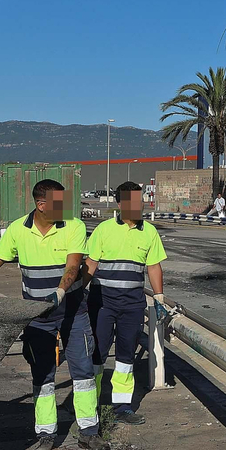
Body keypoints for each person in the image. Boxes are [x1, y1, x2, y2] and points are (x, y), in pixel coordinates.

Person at [0, 179, 108, 450]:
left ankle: (89, 432)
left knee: (83, 372)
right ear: (41, 205)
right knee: (42, 375)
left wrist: (61, 291)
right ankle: (45, 435)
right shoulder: (18, 229)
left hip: (73, 312)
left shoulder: (73, 225)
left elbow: (74, 265)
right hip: (37, 317)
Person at [85, 181, 166, 425]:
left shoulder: (149, 232)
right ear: (119, 204)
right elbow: (90, 263)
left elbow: (153, 266)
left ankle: (122, 406)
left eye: (139, 200)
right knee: (97, 353)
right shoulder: (103, 230)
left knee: (126, 355)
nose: (137, 205)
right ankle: (92, 403)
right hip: (102, 303)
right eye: (131, 201)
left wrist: (159, 297)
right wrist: (78, 290)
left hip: (132, 305)